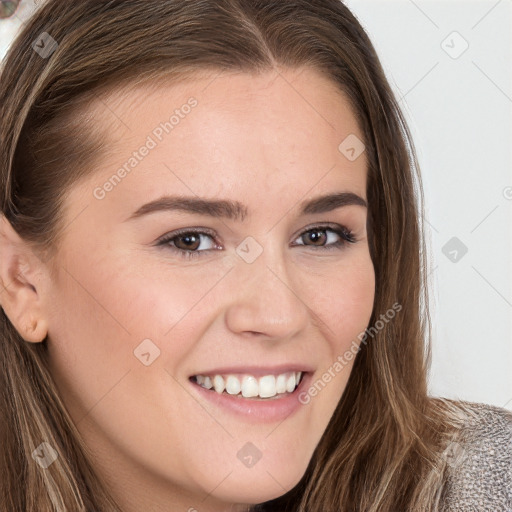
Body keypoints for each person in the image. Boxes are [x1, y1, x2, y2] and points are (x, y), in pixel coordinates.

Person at [0, 1, 510, 511]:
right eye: (191, 240)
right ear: (20, 280)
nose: (278, 314)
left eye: (320, 236)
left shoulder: (480, 488)